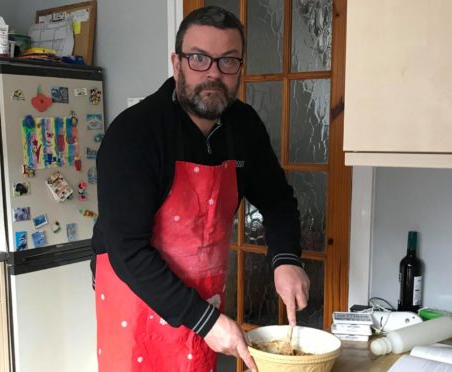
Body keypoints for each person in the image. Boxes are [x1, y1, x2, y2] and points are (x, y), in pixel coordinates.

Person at [91, 6, 310, 372]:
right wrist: (204, 320)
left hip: (205, 295)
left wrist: (285, 258)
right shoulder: (135, 134)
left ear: (240, 67)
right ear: (176, 63)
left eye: (227, 61)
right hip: (138, 296)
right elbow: (127, 250)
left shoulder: (245, 127)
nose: (213, 73)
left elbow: (276, 200)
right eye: (199, 59)